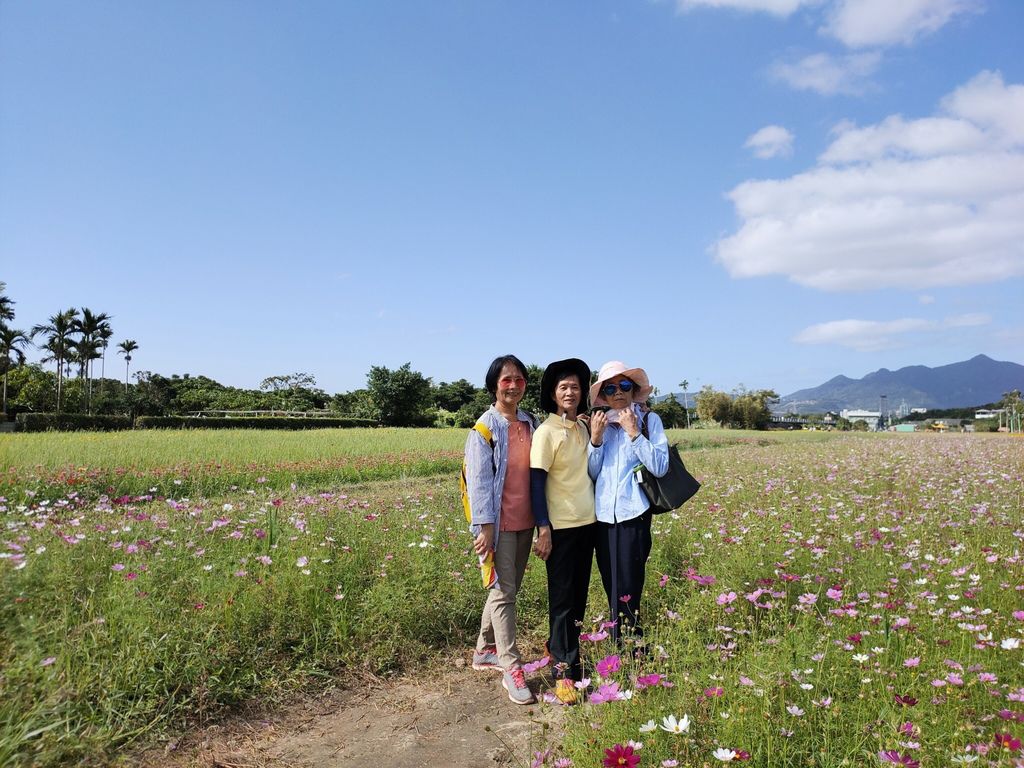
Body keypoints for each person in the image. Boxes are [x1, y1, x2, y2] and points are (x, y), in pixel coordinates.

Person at [464, 355, 548, 705]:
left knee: (504, 588)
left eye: (519, 380)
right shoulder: (484, 429)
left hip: (526, 521)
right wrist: (483, 528)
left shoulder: (531, 422)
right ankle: (511, 666)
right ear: (494, 384)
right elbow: (479, 482)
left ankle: (484, 649)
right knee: (504, 591)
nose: (513, 386)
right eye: (506, 380)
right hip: (497, 525)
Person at [586, 361, 669, 651]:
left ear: (634, 390)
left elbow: (660, 466)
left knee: (630, 582)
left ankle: (631, 643)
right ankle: (621, 640)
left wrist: (634, 433)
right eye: (610, 388)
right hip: (603, 517)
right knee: (611, 582)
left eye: (624, 386)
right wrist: (595, 441)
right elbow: (593, 474)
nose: (618, 392)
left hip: (634, 513)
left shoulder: (649, 421)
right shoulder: (600, 425)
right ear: (604, 395)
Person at [529, 357, 596, 705]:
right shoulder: (546, 433)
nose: (570, 392)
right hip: (561, 529)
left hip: (589, 525)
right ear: (554, 395)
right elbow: (536, 485)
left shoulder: (582, 428)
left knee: (578, 601)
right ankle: (563, 673)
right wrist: (544, 529)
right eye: (563, 387)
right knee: (562, 602)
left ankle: (569, 655)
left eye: (575, 386)